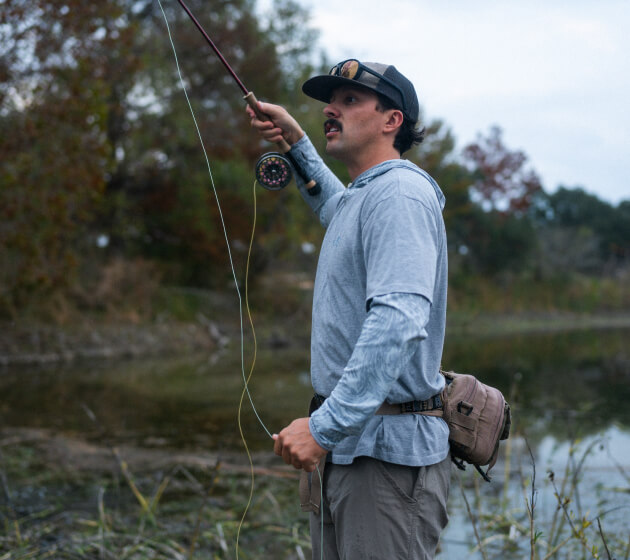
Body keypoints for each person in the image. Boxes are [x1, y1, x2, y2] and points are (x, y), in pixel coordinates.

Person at [248, 59, 451, 560]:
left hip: (385, 461)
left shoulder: (400, 193)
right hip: (349, 450)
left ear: (392, 120)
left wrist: (322, 427)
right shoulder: (367, 195)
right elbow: (331, 203)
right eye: (329, 103)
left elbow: (399, 320)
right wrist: (297, 145)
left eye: (350, 100)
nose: (330, 110)